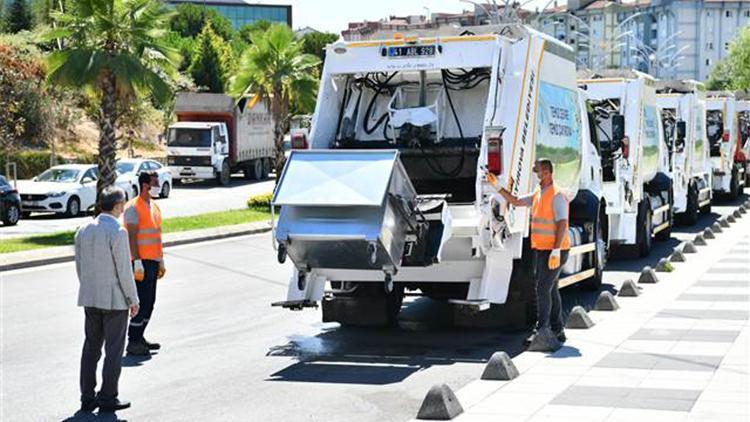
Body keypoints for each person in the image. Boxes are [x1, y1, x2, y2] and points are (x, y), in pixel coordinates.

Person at [487, 159, 571, 348]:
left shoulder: (557, 195)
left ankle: (542, 330)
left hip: (555, 250)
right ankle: (558, 329)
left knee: (542, 289)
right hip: (542, 250)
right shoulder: (539, 193)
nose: (535, 174)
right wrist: (497, 187)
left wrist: (556, 250)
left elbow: (562, 223)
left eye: (538, 171)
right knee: (551, 288)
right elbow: (515, 201)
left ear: (548, 172)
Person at [75, 186, 139, 413]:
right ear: (118, 206)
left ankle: (87, 396)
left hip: (90, 298)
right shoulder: (118, 232)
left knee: (91, 348)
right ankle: (108, 397)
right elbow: (124, 271)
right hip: (114, 301)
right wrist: (133, 299)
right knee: (113, 350)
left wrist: (89, 288)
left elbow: (80, 267)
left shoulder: (83, 230)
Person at [124, 171, 166, 356]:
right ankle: (133, 341)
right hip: (140, 262)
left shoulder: (155, 207)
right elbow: (132, 236)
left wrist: (160, 259)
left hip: (153, 261)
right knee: (140, 302)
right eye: (155, 182)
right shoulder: (133, 207)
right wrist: (137, 262)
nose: (158, 185)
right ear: (145, 185)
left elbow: (156, 235)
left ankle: (140, 336)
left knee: (150, 302)